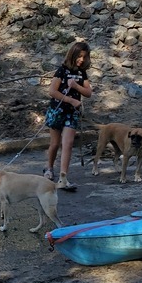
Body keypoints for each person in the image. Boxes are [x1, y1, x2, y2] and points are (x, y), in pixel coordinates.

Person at [44, 41, 93, 191]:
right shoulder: (62, 70)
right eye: (79, 56)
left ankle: (63, 178)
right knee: (55, 144)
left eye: (84, 57)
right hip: (57, 110)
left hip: (72, 114)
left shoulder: (81, 73)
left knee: (68, 144)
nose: (81, 60)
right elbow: (52, 91)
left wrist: (77, 86)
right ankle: (49, 168)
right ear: (73, 54)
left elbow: (88, 92)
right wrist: (70, 99)